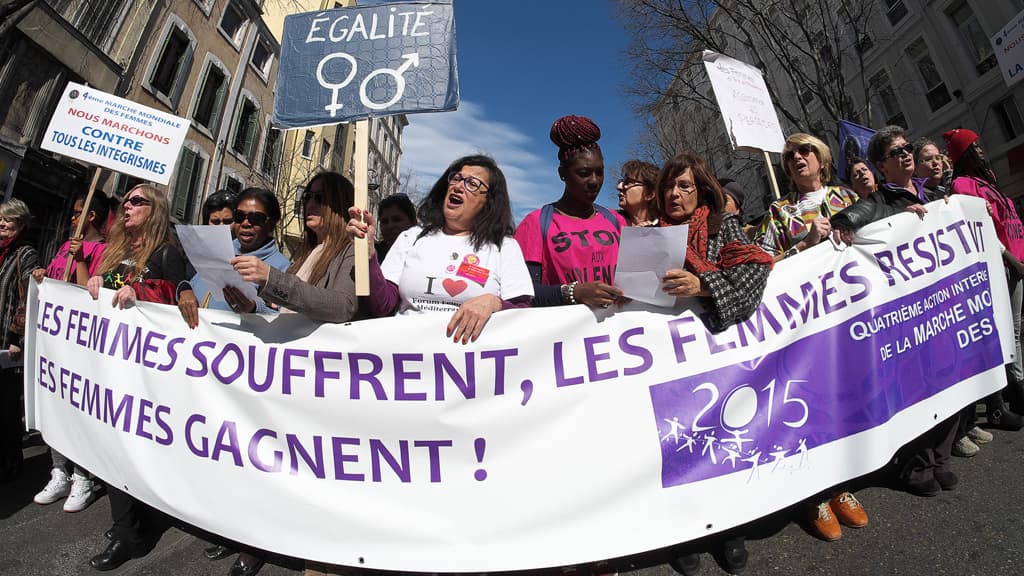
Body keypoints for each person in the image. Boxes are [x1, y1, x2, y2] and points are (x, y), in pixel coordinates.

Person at [656, 152, 773, 574]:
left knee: (721, 440)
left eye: (684, 186)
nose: (674, 193)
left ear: (702, 190)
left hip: (717, 352)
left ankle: (729, 529)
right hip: (666, 358)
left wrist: (702, 285)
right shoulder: (650, 236)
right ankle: (687, 533)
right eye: (668, 186)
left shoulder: (725, 230)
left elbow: (754, 274)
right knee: (677, 441)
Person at [832, 126, 959, 498]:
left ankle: (940, 457)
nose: (905, 155)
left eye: (907, 148)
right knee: (918, 387)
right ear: (880, 166)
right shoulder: (880, 202)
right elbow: (849, 219)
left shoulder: (933, 194)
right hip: (909, 315)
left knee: (950, 378)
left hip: (944, 307)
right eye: (895, 152)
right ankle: (915, 466)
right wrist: (845, 227)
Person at [85, 184, 197, 571]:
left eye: (136, 201)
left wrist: (142, 290)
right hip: (110, 363)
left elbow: (179, 295)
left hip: (146, 371)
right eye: (125, 201)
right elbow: (103, 292)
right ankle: (129, 525)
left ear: (156, 210)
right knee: (112, 446)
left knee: (132, 448)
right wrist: (96, 283)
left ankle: (131, 534)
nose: (126, 206)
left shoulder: (166, 251)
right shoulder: (116, 252)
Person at [347, 155, 533, 344]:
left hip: (471, 363)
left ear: (488, 201)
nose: (459, 186)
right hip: (408, 354)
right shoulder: (412, 237)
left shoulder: (504, 247)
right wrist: (367, 252)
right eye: (457, 178)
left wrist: (494, 303)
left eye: (473, 183)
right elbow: (382, 306)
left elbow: (522, 312)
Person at [30, 191, 110, 511]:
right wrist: (42, 277)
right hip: (56, 341)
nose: (72, 218)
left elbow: (88, 293)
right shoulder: (64, 244)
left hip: (81, 341)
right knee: (55, 403)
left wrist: (80, 260)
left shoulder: (102, 250)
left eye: (78, 212)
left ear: (91, 215)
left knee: (78, 408)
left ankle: (83, 475)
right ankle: (59, 470)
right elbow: (53, 281)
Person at [945, 128, 1024, 439]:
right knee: (1010, 330)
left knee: (1019, 328)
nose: (980, 149)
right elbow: (981, 230)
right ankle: (1016, 389)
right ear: (963, 154)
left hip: (1017, 261)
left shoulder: (987, 180)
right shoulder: (962, 185)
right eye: (973, 146)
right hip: (1003, 265)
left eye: (979, 144)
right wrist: (1010, 260)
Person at [514, 115, 626, 308]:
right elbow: (522, 292)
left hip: (616, 332)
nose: (594, 181)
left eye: (599, 172)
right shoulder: (537, 222)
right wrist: (574, 292)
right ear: (562, 174)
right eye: (583, 173)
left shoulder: (616, 220)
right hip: (568, 334)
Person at [233, 172, 359, 325]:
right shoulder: (305, 255)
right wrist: (253, 308)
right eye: (307, 197)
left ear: (338, 203)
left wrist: (271, 278)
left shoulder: (351, 251)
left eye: (319, 197)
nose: (310, 204)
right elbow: (287, 317)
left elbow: (343, 306)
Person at [753, 133, 859, 262]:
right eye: (789, 156)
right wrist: (805, 244)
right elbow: (760, 264)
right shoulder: (779, 211)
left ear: (821, 161)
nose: (797, 156)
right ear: (789, 171)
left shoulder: (847, 196)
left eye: (804, 150)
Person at [184, 187, 290, 316]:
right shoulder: (217, 251)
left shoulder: (282, 267)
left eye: (256, 218)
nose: (246, 223)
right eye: (239, 216)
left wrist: (254, 308)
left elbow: (284, 321)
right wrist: (185, 291)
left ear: (271, 223)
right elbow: (194, 284)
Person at [0, 198, 40, 483]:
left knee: (6, 405)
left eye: (8, 220)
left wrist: (16, 336)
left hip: (7, 340)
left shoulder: (26, 255)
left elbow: (26, 300)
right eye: (0, 219)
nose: (2, 224)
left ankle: (10, 460)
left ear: (21, 225)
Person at [616, 159, 660, 227]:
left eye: (628, 182)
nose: (619, 186)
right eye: (622, 181)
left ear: (649, 194)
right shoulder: (609, 220)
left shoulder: (666, 228)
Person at [375, 193, 417, 261]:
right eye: (384, 221)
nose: (390, 226)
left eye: (397, 219)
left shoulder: (427, 254)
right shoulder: (369, 256)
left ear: (413, 223)